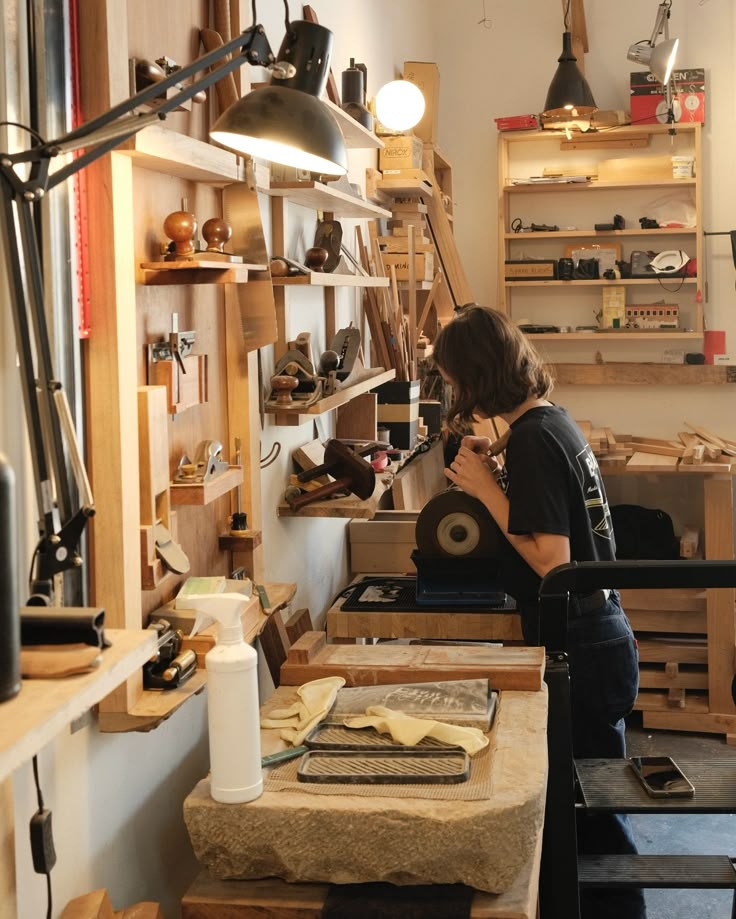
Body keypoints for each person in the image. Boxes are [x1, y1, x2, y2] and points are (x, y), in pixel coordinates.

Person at [433, 305, 646, 919]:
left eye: (453, 380)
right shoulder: (551, 422)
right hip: (602, 632)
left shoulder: (531, 440)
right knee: (595, 795)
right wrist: (497, 469)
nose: (453, 393)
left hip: (582, 640)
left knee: (590, 808)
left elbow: (554, 561)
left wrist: (485, 489)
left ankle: (617, 912)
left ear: (474, 377)